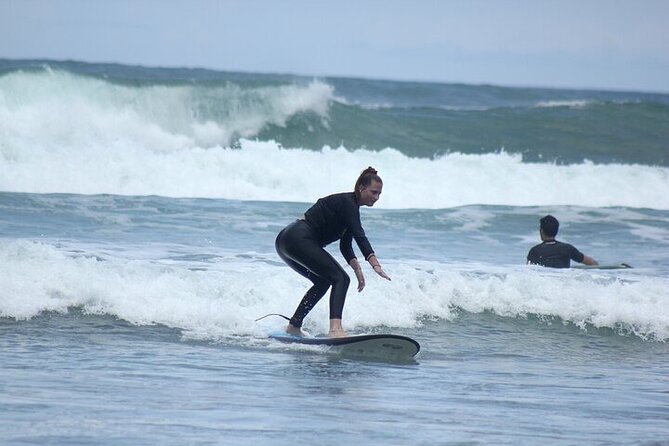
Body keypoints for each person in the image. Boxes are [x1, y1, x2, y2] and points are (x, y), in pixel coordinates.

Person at [275, 167, 391, 338]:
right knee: (341, 279)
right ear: (361, 188)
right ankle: (335, 329)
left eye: (379, 194)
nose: (376, 197)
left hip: (286, 242)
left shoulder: (350, 209)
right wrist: (375, 265)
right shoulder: (348, 203)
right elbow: (360, 236)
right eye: (374, 192)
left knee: (323, 281)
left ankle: (294, 325)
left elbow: (346, 245)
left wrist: (358, 269)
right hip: (298, 238)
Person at [527, 215, 598, 268]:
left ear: (541, 231)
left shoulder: (535, 251)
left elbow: (529, 272)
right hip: (563, 284)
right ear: (556, 230)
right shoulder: (567, 248)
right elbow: (592, 263)